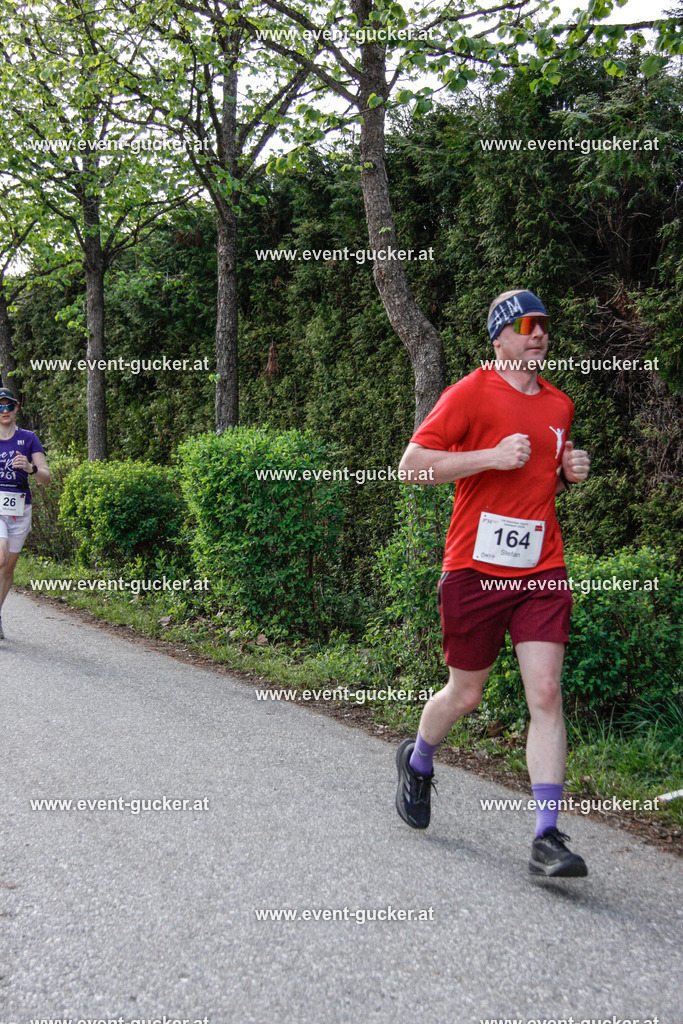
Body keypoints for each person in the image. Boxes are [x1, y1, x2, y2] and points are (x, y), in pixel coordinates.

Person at [395, 290, 591, 877]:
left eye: (545, 326)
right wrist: (488, 457)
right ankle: (419, 760)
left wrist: (567, 473)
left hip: (541, 569)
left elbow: (539, 483)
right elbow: (411, 466)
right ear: (500, 338)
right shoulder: (470, 393)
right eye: (526, 326)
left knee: (547, 693)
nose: (539, 335)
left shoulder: (561, 406)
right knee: (467, 694)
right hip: (474, 571)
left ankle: (547, 836)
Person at [0, 387, 50, 639]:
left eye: (9, 405)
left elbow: (46, 477)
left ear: (17, 408)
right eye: (0, 406)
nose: (4, 410)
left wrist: (30, 468)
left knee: (8, 569)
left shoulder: (29, 438)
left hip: (20, 508)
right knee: (0, 557)